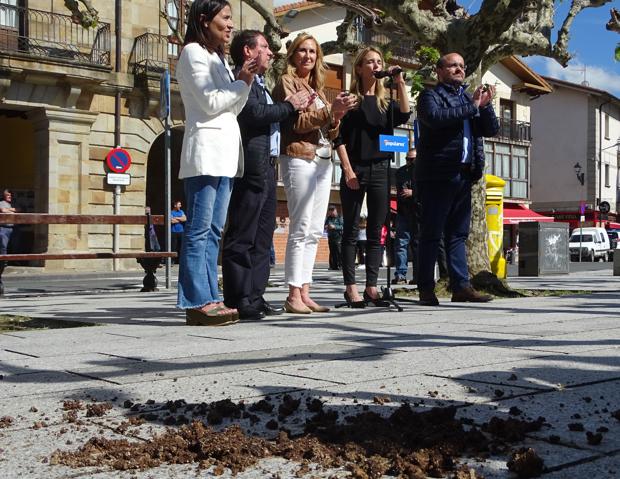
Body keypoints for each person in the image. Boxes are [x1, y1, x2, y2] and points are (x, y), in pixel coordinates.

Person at [175, 0, 258, 326]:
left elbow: (233, 108)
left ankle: (210, 296)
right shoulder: (193, 53)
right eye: (225, 18)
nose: (230, 25)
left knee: (212, 231)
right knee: (198, 230)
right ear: (203, 20)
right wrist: (241, 82)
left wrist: (243, 81)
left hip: (224, 156)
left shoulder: (217, 59)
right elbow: (211, 103)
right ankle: (196, 301)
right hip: (205, 155)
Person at [222, 29, 308, 321]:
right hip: (251, 165)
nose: (271, 52)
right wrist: (289, 105)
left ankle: (255, 296)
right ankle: (239, 296)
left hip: (269, 166)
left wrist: (295, 108)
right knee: (243, 233)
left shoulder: (261, 83)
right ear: (248, 51)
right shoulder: (241, 80)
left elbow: (270, 113)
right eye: (264, 47)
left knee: (262, 235)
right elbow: (254, 114)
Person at [273, 33, 356, 314]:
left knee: (314, 230)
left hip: (322, 159)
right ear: (293, 54)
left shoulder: (318, 89)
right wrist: (328, 112)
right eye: (303, 51)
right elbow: (295, 123)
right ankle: (292, 294)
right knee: (300, 226)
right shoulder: (287, 82)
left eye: (313, 52)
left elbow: (330, 132)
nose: (308, 56)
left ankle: (305, 291)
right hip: (299, 156)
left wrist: (336, 117)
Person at [415, 52, 499, 305]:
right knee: (431, 233)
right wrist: (471, 106)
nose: (459, 70)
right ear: (439, 71)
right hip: (437, 174)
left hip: (464, 174)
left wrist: (486, 105)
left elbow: (491, 129)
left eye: (462, 66)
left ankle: (461, 287)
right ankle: (426, 288)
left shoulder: (466, 97)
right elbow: (435, 119)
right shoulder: (430, 95)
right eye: (453, 66)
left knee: (458, 235)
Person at [334, 46, 410, 308]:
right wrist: (347, 169)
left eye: (379, 61)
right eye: (370, 62)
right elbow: (338, 137)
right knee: (352, 230)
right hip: (355, 168)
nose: (376, 66)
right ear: (359, 68)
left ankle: (371, 287)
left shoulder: (384, 103)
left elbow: (405, 111)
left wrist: (398, 81)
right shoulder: (349, 99)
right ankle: (351, 287)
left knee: (378, 230)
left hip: (380, 169)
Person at [392, 148, 418, 285]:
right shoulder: (401, 172)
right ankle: (401, 274)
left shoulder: (421, 171)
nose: (409, 162)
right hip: (403, 212)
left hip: (417, 212)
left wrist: (413, 193)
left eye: (412, 159)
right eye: (407, 159)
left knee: (417, 244)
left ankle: (418, 276)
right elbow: (399, 188)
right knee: (401, 244)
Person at [324, 205, 343, 270]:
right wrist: (326, 227)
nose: (332, 212)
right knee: (332, 251)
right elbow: (325, 225)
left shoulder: (340, 217)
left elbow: (343, 227)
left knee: (339, 251)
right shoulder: (329, 218)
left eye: (333, 210)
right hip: (331, 236)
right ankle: (332, 266)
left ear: (336, 210)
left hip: (338, 236)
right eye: (330, 211)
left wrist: (334, 227)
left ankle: (340, 265)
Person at [0, 189, 16, 256]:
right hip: (4, 228)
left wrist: (9, 210)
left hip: (14, 228)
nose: (10, 196)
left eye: (11, 195)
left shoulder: (14, 203)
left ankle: (14, 262)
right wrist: (12, 210)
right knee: (3, 246)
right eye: (8, 195)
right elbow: (3, 210)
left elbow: (18, 209)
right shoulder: (1, 203)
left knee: (15, 247)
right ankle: (3, 263)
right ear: (4, 196)